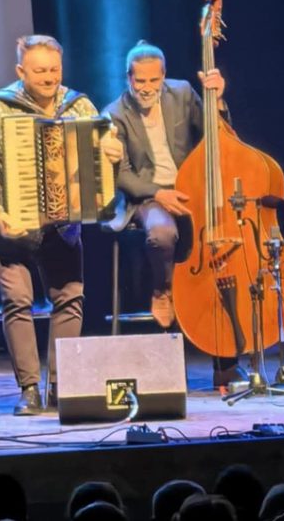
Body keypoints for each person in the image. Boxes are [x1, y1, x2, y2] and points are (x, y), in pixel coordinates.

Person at [0, 34, 122, 415]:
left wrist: (115, 155)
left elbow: (103, 164)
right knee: (18, 300)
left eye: (54, 69)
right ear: (21, 71)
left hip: (63, 226)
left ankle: (61, 386)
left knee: (71, 299)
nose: (49, 78)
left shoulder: (79, 106)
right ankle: (29, 389)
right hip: (10, 226)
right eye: (40, 71)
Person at [102, 40, 241, 387]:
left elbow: (216, 137)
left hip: (192, 190)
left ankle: (225, 368)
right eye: (139, 81)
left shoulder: (181, 93)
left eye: (153, 81)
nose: (147, 88)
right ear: (128, 79)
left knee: (218, 260)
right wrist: (158, 193)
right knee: (163, 234)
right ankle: (164, 290)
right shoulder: (113, 114)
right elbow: (121, 175)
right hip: (148, 197)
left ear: (163, 76)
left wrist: (217, 101)